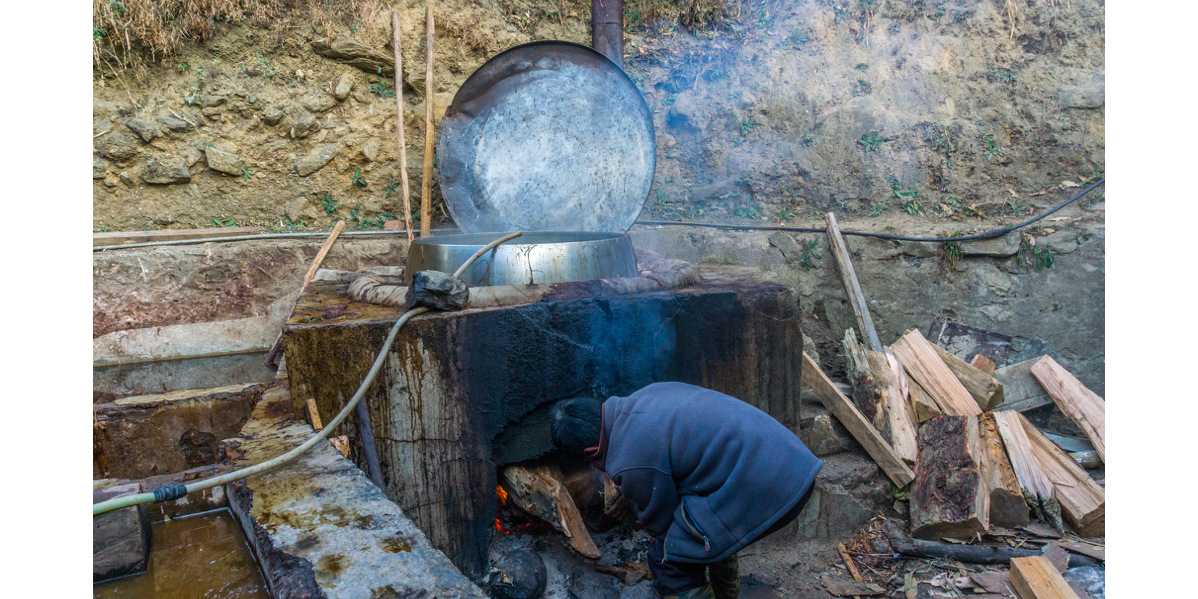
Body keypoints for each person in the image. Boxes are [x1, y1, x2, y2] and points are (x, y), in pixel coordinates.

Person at [551, 382, 823, 599]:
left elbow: (662, 526)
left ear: (590, 452)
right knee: (699, 524)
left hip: (772, 487)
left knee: (668, 559)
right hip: (790, 462)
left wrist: (632, 509)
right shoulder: (643, 397)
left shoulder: (629, 460)